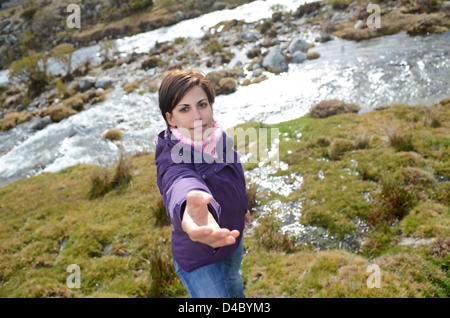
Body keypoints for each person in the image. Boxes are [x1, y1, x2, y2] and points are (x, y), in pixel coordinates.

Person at [154, 69, 251, 298]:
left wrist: (243, 206)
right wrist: (189, 204)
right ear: (170, 118)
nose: (197, 116)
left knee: (235, 284)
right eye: (184, 109)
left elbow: (235, 174)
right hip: (199, 257)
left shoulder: (219, 137)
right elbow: (178, 180)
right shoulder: (170, 156)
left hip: (232, 236)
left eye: (202, 104)